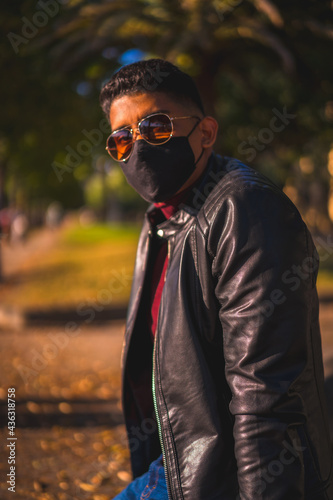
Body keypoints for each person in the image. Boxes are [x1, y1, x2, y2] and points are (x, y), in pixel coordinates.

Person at [99, 59, 333, 499]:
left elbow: (265, 397)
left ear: (205, 132)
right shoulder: (164, 220)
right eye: (122, 138)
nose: (139, 147)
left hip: (228, 479)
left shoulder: (245, 211)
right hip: (180, 467)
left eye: (157, 127)